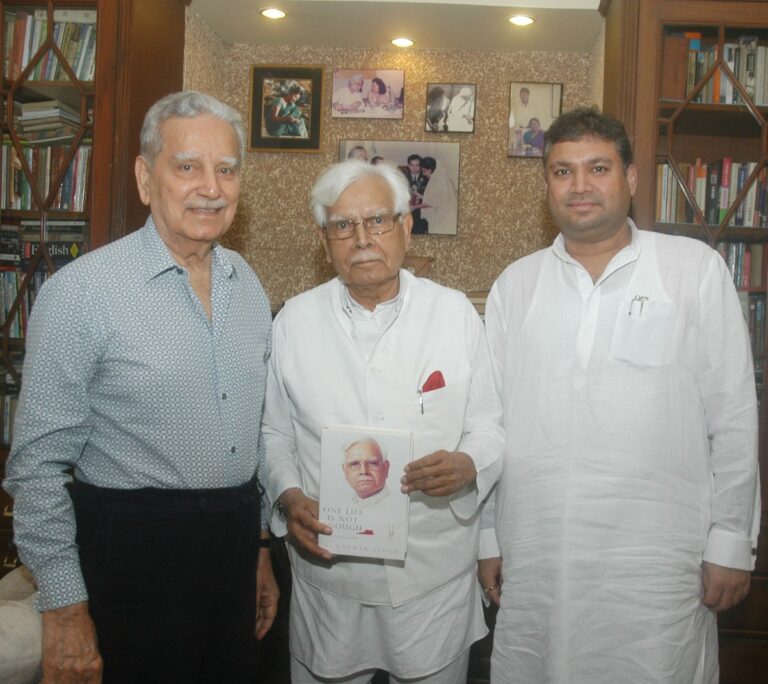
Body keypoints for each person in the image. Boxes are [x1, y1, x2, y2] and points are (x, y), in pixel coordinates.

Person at [3, 91, 279, 683]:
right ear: (144, 176)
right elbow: (36, 467)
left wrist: (257, 548)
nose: (211, 187)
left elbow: (251, 441)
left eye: (226, 170)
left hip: (231, 545)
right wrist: (65, 609)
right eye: (187, 167)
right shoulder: (82, 293)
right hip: (132, 553)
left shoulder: (248, 284)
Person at [480, 107, 760, 683]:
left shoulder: (693, 270)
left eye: (598, 168)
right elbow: (489, 423)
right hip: (539, 549)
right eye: (562, 172)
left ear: (630, 179)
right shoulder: (517, 284)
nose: (579, 185)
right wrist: (486, 535)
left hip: (659, 560)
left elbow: (732, 414)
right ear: (547, 185)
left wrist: (731, 541)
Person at [262, 159, 504, 683]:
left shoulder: (455, 313)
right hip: (330, 574)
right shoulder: (293, 322)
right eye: (342, 225)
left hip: (430, 572)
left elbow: (489, 427)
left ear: (405, 225)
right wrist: (286, 493)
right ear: (323, 238)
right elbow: (274, 433)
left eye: (377, 220)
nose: (362, 238)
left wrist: (468, 463)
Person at [342, 437, 391, 503]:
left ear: (386, 468)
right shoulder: (342, 502)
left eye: (372, 463)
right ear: (344, 470)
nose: (364, 471)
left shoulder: (400, 504)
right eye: (354, 464)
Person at [417, 156, 458, 235]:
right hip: (444, 213)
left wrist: (414, 207)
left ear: (430, 169)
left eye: (424, 171)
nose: (423, 174)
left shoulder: (438, 181)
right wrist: (421, 196)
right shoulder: (441, 176)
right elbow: (438, 198)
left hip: (442, 216)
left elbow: (432, 202)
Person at [402, 154, 429, 234]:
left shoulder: (426, 178)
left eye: (417, 165)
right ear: (408, 166)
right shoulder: (403, 178)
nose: (414, 168)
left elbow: (429, 196)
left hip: (421, 210)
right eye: (412, 165)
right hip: (406, 210)